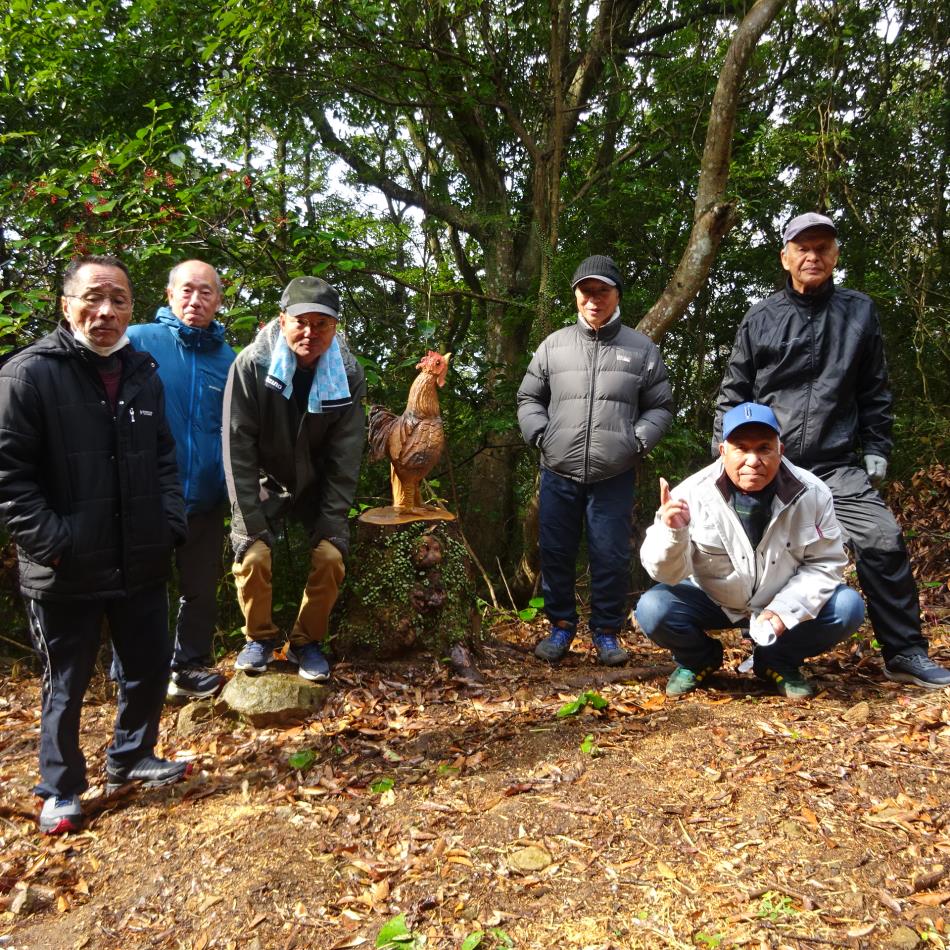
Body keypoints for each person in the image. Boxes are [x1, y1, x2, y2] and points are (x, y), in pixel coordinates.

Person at [715, 212, 950, 689]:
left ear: (835, 255)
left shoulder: (859, 312)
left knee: (882, 539)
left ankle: (904, 652)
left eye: (822, 247)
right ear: (785, 257)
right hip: (771, 462)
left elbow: (874, 389)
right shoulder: (761, 317)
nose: (812, 256)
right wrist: (728, 457)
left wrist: (877, 446)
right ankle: (762, 648)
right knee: (756, 554)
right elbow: (733, 393)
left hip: (837, 465)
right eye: (802, 248)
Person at [0, 255, 191, 835]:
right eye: (93, 297)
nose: (106, 311)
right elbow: (9, 478)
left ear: (134, 309)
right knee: (67, 679)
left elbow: (162, 456)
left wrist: (169, 522)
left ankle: (132, 755)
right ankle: (60, 788)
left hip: (140, 556)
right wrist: (55, 544)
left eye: (119, 300)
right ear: (67, 306)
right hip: (65, 567)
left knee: (149, 665)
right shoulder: (28, 375)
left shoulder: (142, 373)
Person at [636, 403, 865, 699]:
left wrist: (785, 610)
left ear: (780, 450)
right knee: (652, 608)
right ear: (723, 451)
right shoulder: (689, 494)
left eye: (763, 448)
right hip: (714, 598)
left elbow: (826, 564)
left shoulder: (813, 494)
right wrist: (673, 532)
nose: (753, 460)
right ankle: (698, 659)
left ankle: (777, 660)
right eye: (741, 448)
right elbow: (665, 573)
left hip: (779, 596)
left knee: (847, 607)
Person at [517, 254, 674, 665]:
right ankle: (560, 627)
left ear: (616, 294)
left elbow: (660, 406)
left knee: (610, 554)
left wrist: (636, 442)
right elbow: (528, 398)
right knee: (555, 551)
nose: (593, 299)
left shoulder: (640, 349)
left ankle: (607, 632)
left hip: (614, 473)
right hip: (558, 469)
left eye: (601, 291)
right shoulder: (555, 345)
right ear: (576, 296)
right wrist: (540, 434)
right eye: (586, 291)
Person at [224, 276, 365, 682]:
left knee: (330, 556)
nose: (310, 332)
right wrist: (250, 521)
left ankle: (307, 642)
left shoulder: (349, 373)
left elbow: (346, 455)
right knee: (252, 555)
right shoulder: (252, 364)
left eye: (322, 324)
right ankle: (259, 639)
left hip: (317, 482)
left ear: (335, 328)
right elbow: (237, 450)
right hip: (263, 478)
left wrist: (332, 520)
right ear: (282, 320)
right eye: (301, 321)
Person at [127, 261, 236, 700]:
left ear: (219, 300)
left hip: (207, 498)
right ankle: (133, 677)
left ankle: (188, 669)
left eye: (206, 292)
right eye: (187, 290)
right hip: (148, 495)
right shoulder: (136, 342)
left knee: (200, 591)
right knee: (140, 590)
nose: (196, 300)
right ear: (170, 294)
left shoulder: (229, 359)